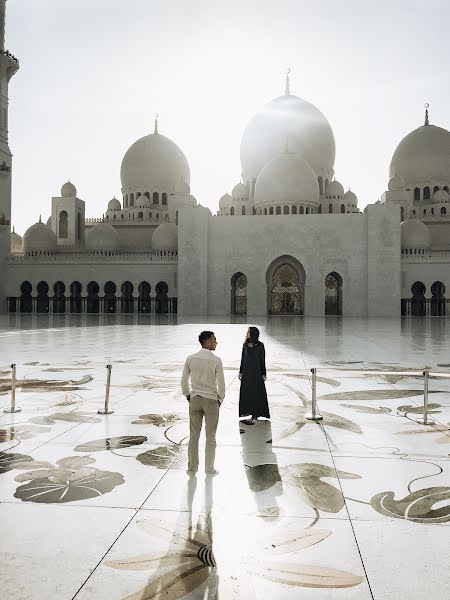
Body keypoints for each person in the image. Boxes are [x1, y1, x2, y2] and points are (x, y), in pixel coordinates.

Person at [181, 331, 225, 476]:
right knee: (210, 436)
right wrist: (220, 399)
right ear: (207, 342)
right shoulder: (216, 360)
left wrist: (188, 395)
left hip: (195, 399)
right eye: (214, 340)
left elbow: (184, 381)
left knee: (194, 435)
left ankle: (192, 468)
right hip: (211, 400)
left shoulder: (190, 358)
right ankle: (209, 468)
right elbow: (221, 384)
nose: (216, 342)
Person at [239, 326, 270, 425]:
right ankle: (250, 413)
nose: (247, 333)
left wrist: (263, 373)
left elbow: (262, 360)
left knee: (256, 394)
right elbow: (243, 359)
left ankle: (256, 414)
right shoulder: (245, 345)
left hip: (256, 374)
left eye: (248, 332)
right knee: (247, 393)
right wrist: (241, 371)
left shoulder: (260, 346)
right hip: (247, 374)